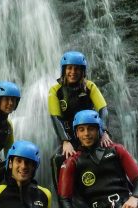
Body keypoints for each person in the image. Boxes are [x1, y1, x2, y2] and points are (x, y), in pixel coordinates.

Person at [58, 110, 138, 208]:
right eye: (81, 130)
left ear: (99, 130)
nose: (86, 133)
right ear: (76, 133)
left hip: (126, 205)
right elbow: (64, 200)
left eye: (91, 128)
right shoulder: (71, 162)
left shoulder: (117, 150)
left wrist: (134, 198)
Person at [48, 51, 112, 190]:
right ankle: (62, 199)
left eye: (77, 68)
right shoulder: (55, 90)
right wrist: (65, 141)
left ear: (83, 71)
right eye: (69, 68)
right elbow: (55, 118)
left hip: (91, 133)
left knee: (112, 152)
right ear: (63, 70)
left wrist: (104, 131)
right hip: (70, 137)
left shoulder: (90, 87)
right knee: (57, 159)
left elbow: (103, 109)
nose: (73, 72)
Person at [0, 140, 52, 208]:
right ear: (10, 163)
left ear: (34, 167)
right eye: (19, 161)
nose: (23, 166)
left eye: (28, 162)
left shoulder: (44, 195)